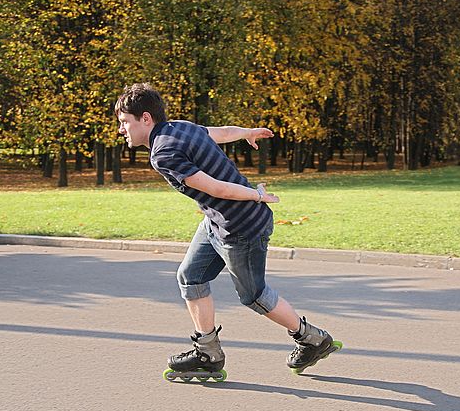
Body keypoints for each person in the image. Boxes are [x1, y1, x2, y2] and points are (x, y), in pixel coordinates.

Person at [114, 83, 340, 377]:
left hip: (242, 226)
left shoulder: (163, 152)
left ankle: (312, 339)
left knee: (254, 295)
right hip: (218, 221)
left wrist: (257, 196)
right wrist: (246, 133)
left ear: (145, 118)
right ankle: (207, 352)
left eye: (124, 122)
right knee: (190, 276)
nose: (121, 130)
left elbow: (216, 187)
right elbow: (218, 133)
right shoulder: (178, 128)